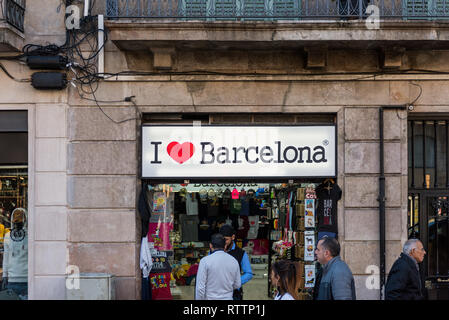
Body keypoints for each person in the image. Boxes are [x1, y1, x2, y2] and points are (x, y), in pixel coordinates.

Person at [195, 233, 241, 300]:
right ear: (225, 246)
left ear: (210, 246)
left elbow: (200, 288)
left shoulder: (205, 261)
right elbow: (237, 284)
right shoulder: (234, 261)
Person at [219, 224, 253, 300]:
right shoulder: (214, 251)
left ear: (233, 237)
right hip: (217, 293)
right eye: (222, 240)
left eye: (226, 240)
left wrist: (235, 284)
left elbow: (248, 273)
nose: (224, 243)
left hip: (234, 294)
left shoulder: (241, 253)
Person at [2, 208, 28, 300]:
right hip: (12, 280)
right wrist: (4, 275)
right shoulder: (8, 236)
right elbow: (6, 257)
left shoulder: (30, 235)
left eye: (20, 222)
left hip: (27, 280)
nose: (17, 225)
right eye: (15, 222)